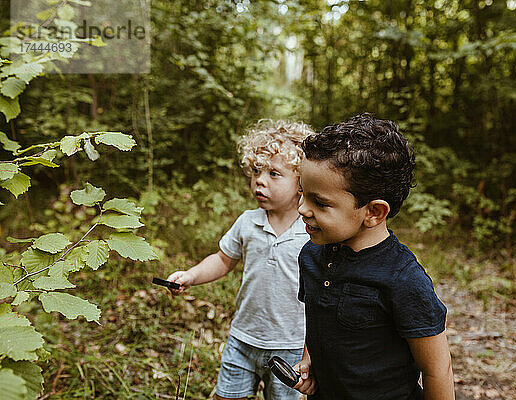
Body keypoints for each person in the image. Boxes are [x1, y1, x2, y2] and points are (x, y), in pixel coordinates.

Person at [292, 113, 454, 399]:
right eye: (303, 193)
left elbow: (437, 370)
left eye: (320, 202)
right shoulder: (311, 255)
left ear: (373, 212)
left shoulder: (403, 279)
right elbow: (316, 321)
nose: (302, 209)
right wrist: (309, 359)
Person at [167, 120, 314, 400]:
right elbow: (223, 260)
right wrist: (191, 275)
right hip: (243, 338)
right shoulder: (248, 223)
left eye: (274, 173)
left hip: (290, 345)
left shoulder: (311, 233)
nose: (260, 180)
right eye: (256, 171)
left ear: (301, 184)